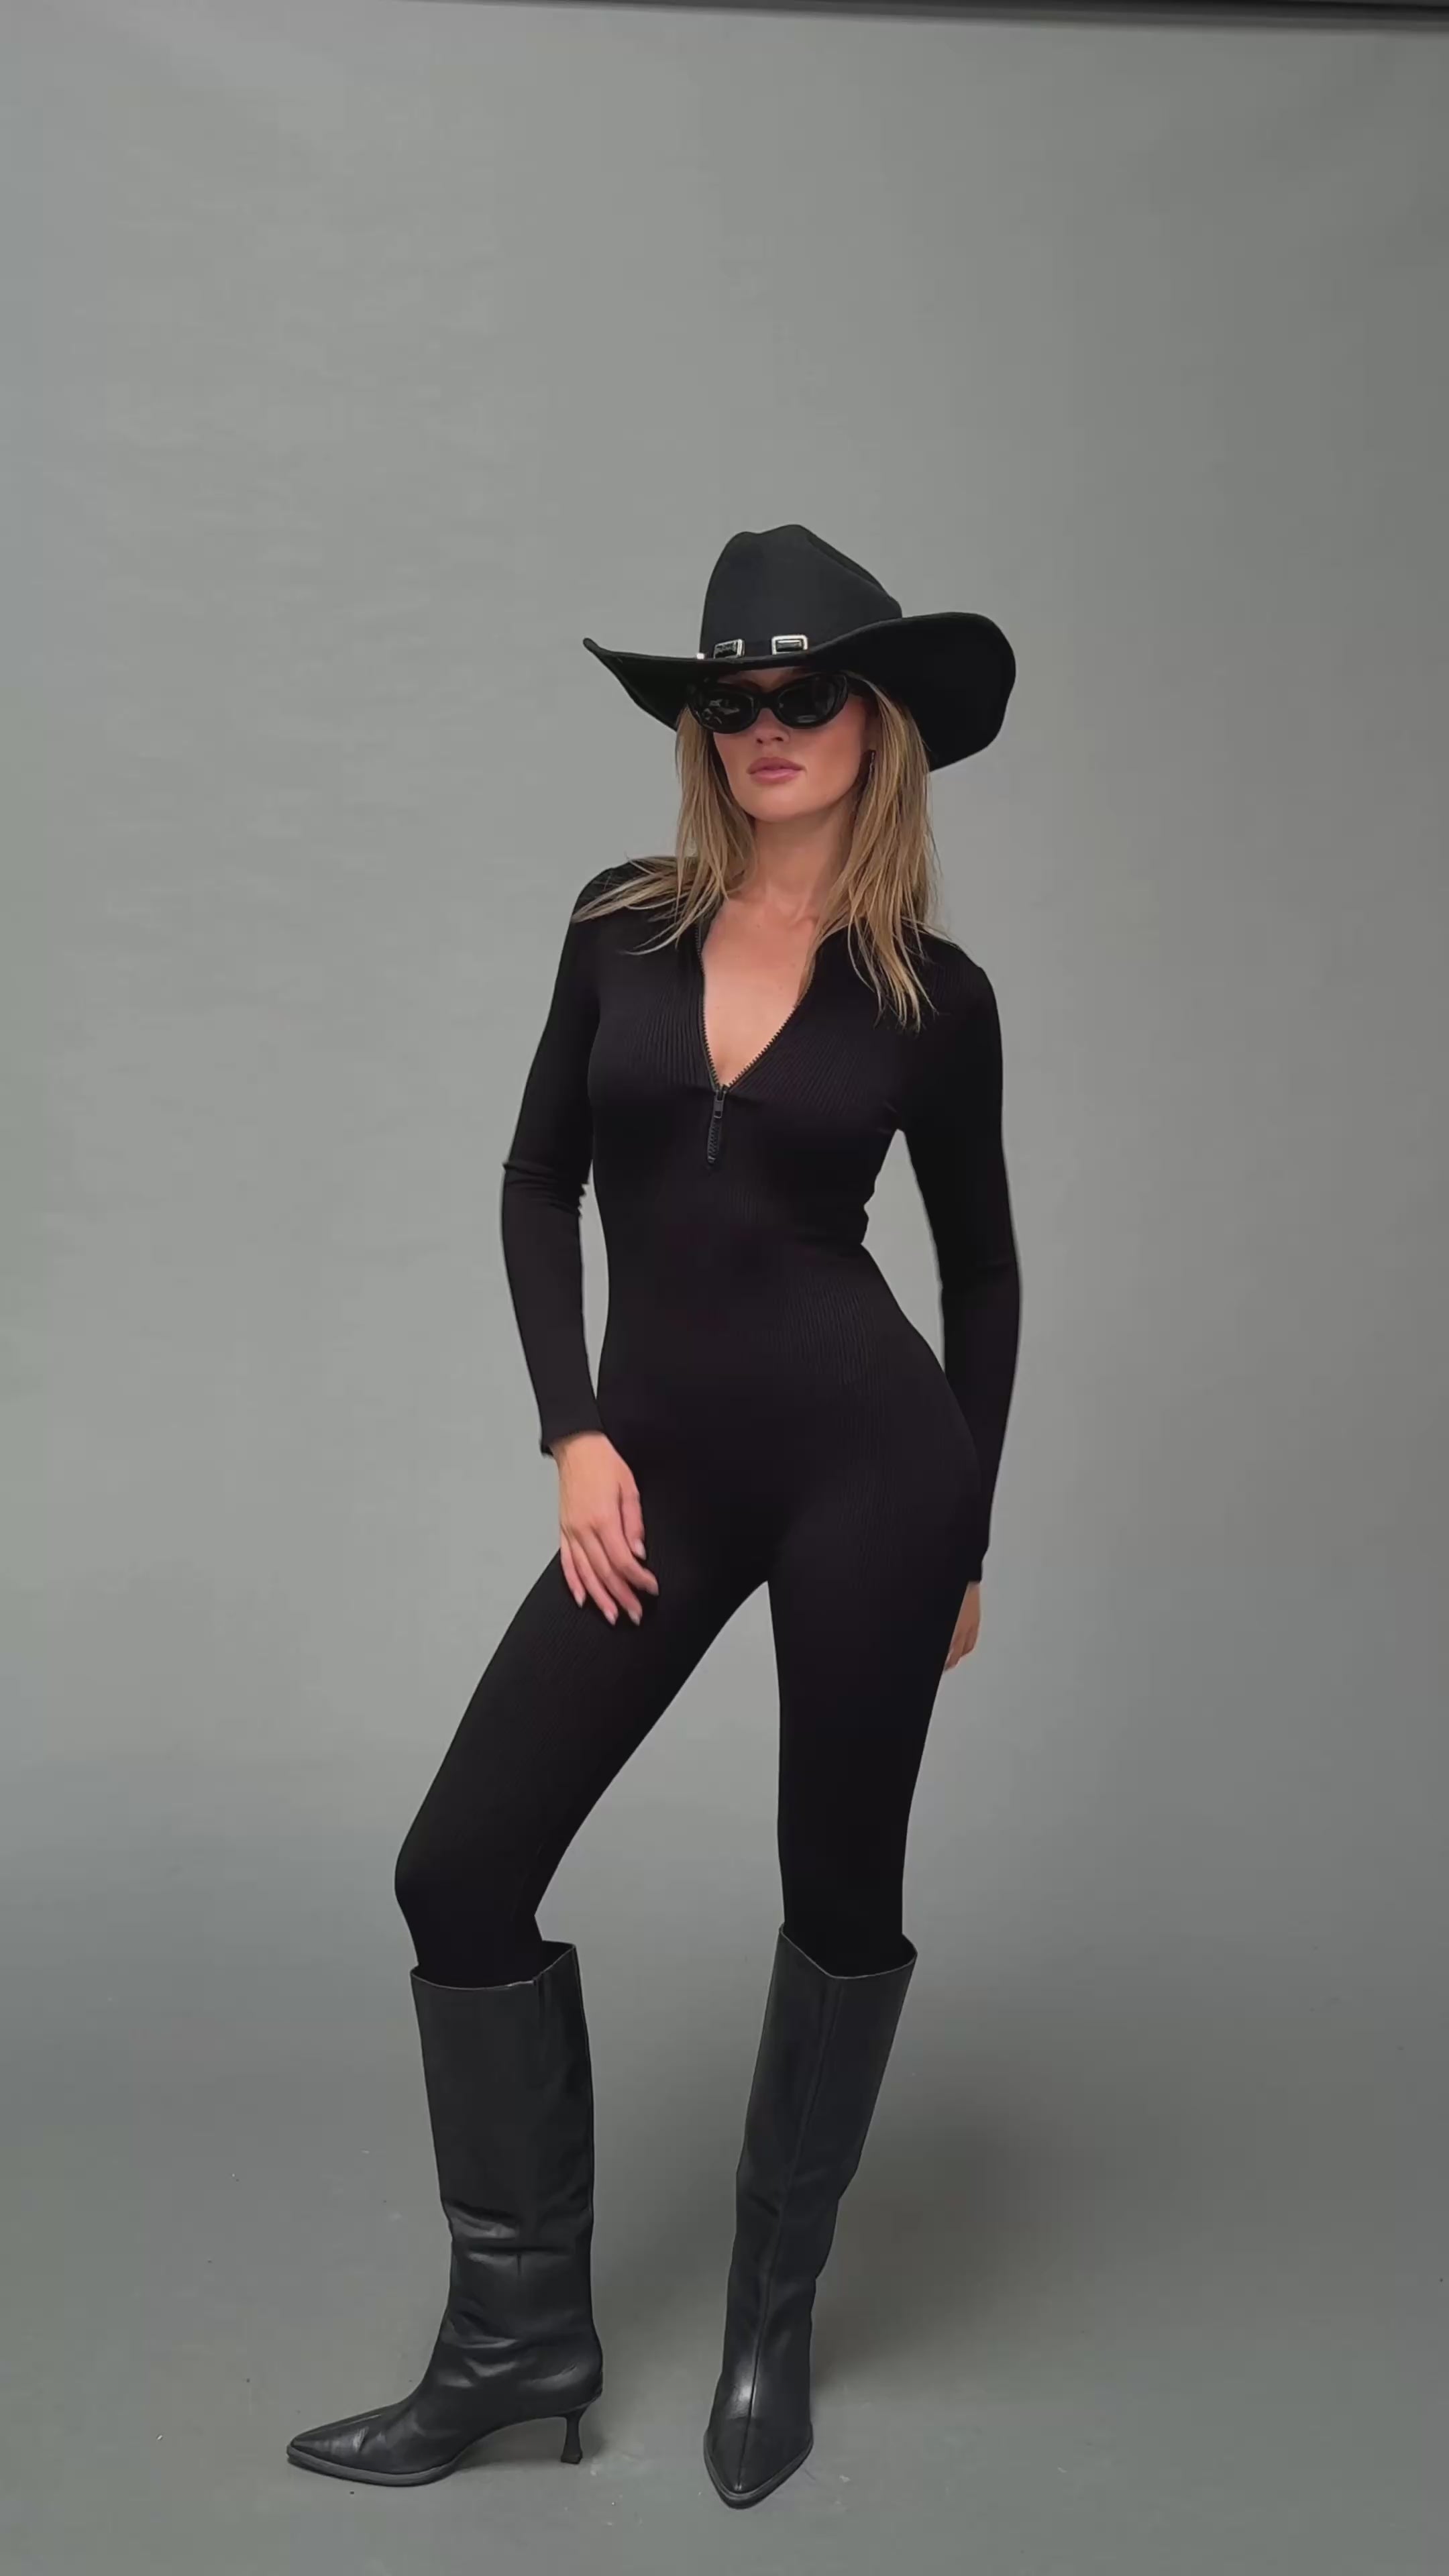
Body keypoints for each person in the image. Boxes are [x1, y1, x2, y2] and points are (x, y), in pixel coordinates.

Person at [285, 522, 1022, 2509]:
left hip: (874, 1474)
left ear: (874, 724)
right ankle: (517, 2349)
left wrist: (966, 1529)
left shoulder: (933, 997)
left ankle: (772, 2324)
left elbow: (982, 1276)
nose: (763, 726)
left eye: (804, 695)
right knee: (460, 1869)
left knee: (837, 1890)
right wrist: (573, 1433)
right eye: (728, 700)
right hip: (661, 1471)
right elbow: (537, 1184)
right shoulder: (617, 924)